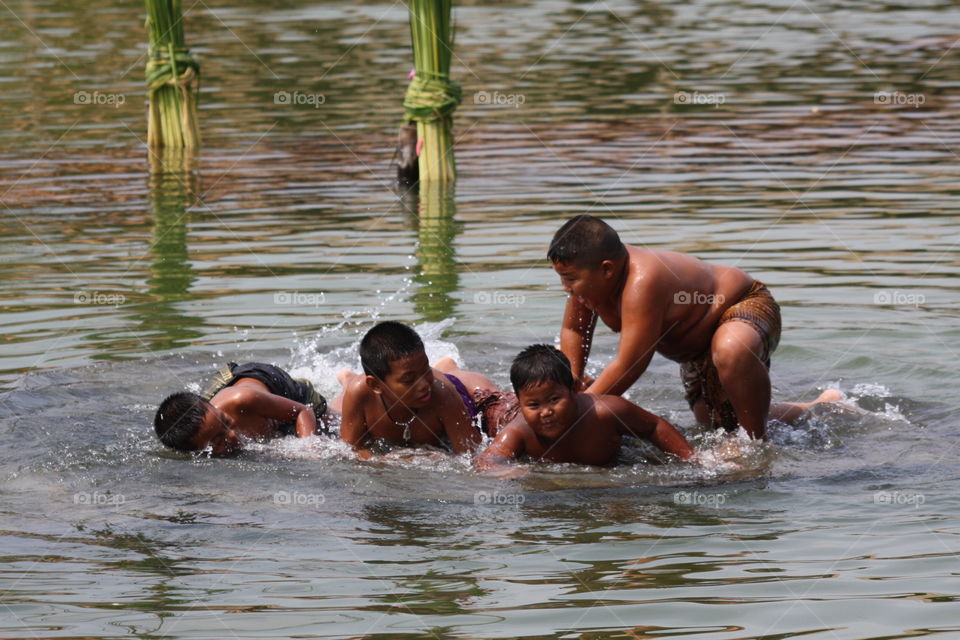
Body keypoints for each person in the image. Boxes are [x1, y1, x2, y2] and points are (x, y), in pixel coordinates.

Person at [549, 214, 840, 440]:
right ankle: (818, 406)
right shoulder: (586, 286)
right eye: (562, 278)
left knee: (731, 351)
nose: (566, 287)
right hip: (697, 350)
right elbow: (575, 331)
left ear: (607, 268)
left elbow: (630, 364)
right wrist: (572, 382)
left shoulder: (643, 281)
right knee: (718, 427)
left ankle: (756, 446)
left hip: (742, 307)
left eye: (571, 279)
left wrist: (578, 411)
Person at [475, 344, 695, 472]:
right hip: (504, 409)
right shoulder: (519, 431)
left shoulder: (605, 412)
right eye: (534, 405)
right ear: (523, 403)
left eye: (554, 400)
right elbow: (486, 460)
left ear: (574, 390)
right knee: (483, 396)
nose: (546, 412)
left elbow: (654, 426)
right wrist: (508, 472)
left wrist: (692, 459)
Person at [338, 321, 503, 458]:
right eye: (408, 379)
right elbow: (350, 450)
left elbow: (471, 455)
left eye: (426, 370)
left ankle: (447, 365)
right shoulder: (359, 393)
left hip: (456, 386)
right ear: (376, 385)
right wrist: (388, 462)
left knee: (491, 395)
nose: (424, 385)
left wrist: (437, 460)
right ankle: (347, 378)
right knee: (347, 391)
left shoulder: (444, 395)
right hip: (363, 385)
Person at [154, 362, 330, 455]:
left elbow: (303, 411)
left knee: (327, 419)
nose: (231, 435)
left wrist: (309, 449)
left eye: (226, 422)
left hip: (273, 383)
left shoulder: (242, 401)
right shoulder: (206, 428)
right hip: (224, 393)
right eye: (217, 440)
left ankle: (346, 382)